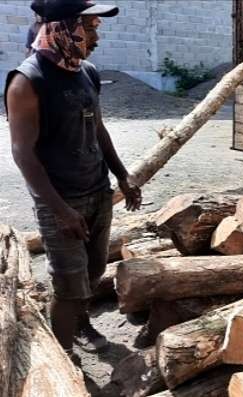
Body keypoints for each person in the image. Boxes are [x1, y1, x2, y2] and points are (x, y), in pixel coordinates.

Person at [5, 0, 142, 362]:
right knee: (68, 285)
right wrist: (61, 210)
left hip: (97, 191)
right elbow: (23, 154)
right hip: (60, 201)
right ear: (64, 27)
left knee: (94, 270)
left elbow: (97, 128)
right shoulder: (27, 81)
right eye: (91, 27)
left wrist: (122, 176)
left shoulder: (87, 71)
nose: (96, 37)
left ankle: (81, 325)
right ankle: (63, 356)